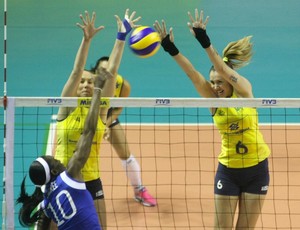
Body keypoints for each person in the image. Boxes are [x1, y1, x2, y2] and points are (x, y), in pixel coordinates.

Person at [154, 9, 270, 229]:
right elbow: (193, 74)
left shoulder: (245, 92)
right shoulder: (214, 102)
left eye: (220, 82)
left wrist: (204, 40)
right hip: (229, 171)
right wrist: (171, 49)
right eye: (213, 83)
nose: (216, 87)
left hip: (257, 169)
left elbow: (221, 68)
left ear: (230, 82)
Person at [53, 9, 141, 230]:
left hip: (91, 179)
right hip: (61, 178)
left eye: (90, 82)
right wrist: (86, 40)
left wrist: (121, 38)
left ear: (96, 88)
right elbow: (75, 72)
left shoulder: (100, 110)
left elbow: (111, 72)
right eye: (82, 82)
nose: (84, 85)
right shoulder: (66, 109)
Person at [16, 67, 110, 229]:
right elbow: (88, 132)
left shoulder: (48, 201)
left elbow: (42, 226)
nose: (55, 158)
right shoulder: (71, 175)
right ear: (53, 171)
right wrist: (97, 89)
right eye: (52, 160)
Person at [91, 56, 157, 207]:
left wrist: (105, 124)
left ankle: (139, 190)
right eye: (102, 71)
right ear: (95, 72)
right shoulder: (89, 83)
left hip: (107, 116)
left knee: (126, 154)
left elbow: (118, 108)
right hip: (87, 117)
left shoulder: (122, 85)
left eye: (110, 71)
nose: (107, 74)